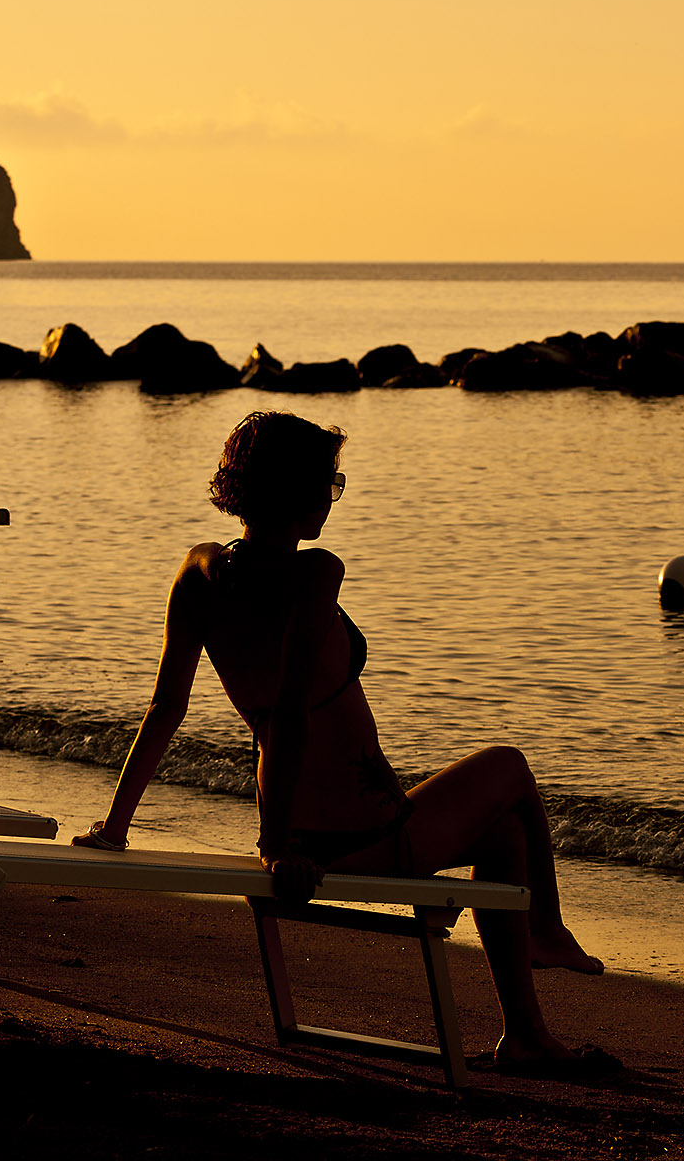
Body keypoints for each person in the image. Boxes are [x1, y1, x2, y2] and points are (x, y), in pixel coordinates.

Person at [76, 409, 612, 1075]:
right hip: (362, 838)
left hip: (317, 833)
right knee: (510, 765)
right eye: (328, 484)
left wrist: (116, 829)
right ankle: (546, 932)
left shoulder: (199, 571)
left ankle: (527, 1035)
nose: (332, 498)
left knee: (505, 836)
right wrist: (276, 849)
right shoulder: (314, 573)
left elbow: (166, 709)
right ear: (296, 491)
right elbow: (291, 714)